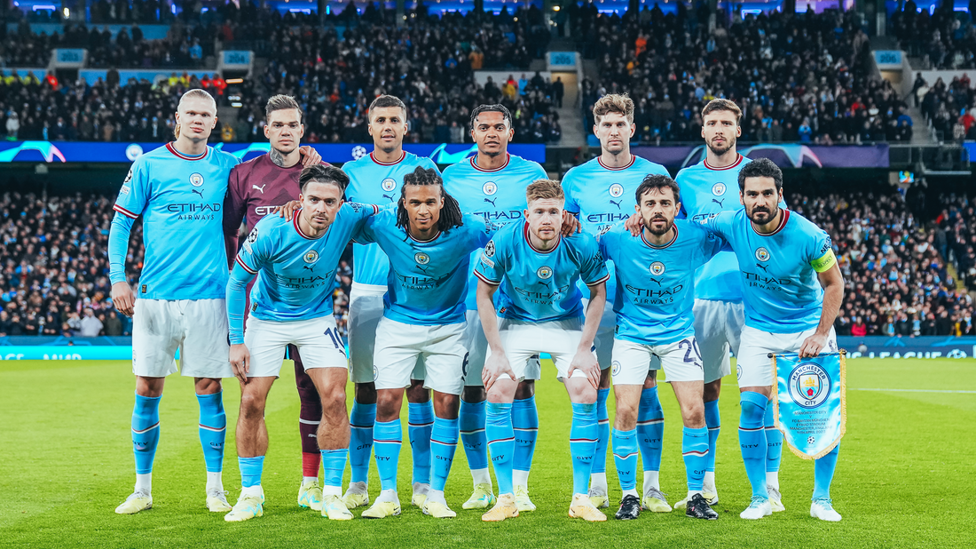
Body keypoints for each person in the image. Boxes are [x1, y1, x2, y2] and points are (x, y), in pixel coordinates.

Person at [109, 89, 240, 515]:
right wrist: (117, 279)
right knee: (147, 388)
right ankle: (142, 489)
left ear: (215, 121)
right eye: (192, 113)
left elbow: (261, 199)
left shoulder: (228, 167)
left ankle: (215, 488)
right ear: (177, 118)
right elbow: (120, 225)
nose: (199, 120)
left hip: (210, 297)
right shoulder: (149, 164)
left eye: (207, 114)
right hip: (155, 297)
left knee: (209, 389)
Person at [223, 165, 379, 522]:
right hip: (267, 320)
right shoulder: (270, 231)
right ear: (300, 200)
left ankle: (331, 494)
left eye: (329, 201)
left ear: (342, 203)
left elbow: (384, 213)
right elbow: (235, 284)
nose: (321, 208)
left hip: (316, 320)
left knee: (337, 397)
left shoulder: (349, 217)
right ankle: (250, 494)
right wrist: (236, 341)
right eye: (313, 200)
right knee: (250, 401)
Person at [702, 158, 845, 522]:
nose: (760, 201)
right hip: (759, 331)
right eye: (752, 194)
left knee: (822, 414)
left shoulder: (808, 235)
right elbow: (688, 227)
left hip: (806, 331)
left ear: (780, 195)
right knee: (751, 407)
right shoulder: (731, 223)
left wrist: (820, 334)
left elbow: (835, 284)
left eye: (767, 193)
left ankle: (822, 499)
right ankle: (759, 497)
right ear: (742, 197)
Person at [356, 167, 494, 519]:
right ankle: (387, 494)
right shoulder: (385, 225)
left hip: (448, 329)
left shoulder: (467, 230)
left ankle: (436, 494)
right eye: (415, 202)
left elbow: (508, 240)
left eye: (430, 202)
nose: (423, 210)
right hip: (397, 327)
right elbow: (342, 221)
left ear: (441, 201)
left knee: (447, 404)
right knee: (386, 400)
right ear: (403, 203)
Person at [561, 93, 670, 511]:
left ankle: (653, 483)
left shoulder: (655, 173)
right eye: (605, 125)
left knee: (645, 387)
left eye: (619, 124)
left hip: (645, 296)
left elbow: (670, 224)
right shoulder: (576, 179)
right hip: (598, 297)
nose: (613, 131)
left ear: (631, 128)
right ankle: (599, 482)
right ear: (595, 130)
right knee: (598, 385)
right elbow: (568, 233)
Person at [674, 98, 785, 509]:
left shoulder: (758, 175)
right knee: (707, 391)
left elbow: (779, 229)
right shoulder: (684, 179)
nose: (718, 129)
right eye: (711, 123)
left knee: (762, 394)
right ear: (702, 130)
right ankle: (707, 481)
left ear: (738, 130)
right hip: (701, 299)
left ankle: (771, 484)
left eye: (726, 123)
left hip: (754, 302)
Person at [477, 180, 609, 523]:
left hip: (566, 323)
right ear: (527, 214)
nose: (547, 218)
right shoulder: (505, 239)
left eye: (553, 211)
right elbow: (483, 295)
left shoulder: (581, 242)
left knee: (585, 391)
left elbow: (598, 294)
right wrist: (496, 351)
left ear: (563, 213)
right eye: (539, 212)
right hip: (516, 321)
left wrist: (584, 348)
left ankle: (581, 498)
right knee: (498, 390)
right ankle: (505, 497)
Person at [222, 94, 326, 512]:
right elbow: (230, 231)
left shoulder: (319, 176)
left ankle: (310, 484)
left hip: (309, 303)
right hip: (257, 307)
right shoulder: (245, 175)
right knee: (251, 395)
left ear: (302, 130)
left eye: (293, 125)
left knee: (313, 391)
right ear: (266, 130)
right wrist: (237, 281)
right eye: (278, 125)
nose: (286, 131)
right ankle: (251, 492)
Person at [442, 104, 549, 513]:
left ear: (510, 131)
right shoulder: (452, 177)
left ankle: (519, 487)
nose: (491, 133)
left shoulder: (531, 175)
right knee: (473, 390)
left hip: (521, 303)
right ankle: (482, 484)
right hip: (468, 300)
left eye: (498, 127)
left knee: (522, 386)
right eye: (483, 127)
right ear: (472, 133)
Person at [602, 175, 722, 521]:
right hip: (632, 336)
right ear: (637, 209)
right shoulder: (617, 239)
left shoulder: (696, 238)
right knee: (625, 411)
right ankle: (629, 495)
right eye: (650, 204)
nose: (658, 210)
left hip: (678, 336)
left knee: (694, 411)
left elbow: (738, 237)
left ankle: (696, 495)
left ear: (677, 209)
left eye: (665, 203)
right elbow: (580, 246)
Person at [342, 95, 441, 511]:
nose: (387, 126)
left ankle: (420, 485)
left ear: (405, 126)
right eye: (379, 120)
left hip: (415, 292)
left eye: (394, 120)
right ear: (369, 127)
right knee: (367, 390)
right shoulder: (350, 172)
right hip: (366, 291)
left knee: (418, 390)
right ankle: (360, 483)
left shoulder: (425, 170)